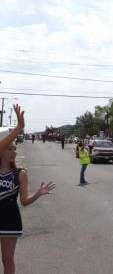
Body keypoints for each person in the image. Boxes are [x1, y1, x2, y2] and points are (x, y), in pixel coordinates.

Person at [0, 105, 56, 274]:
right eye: (10, 148)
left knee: (7, 261)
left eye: (15, 149)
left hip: (10, 220)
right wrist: (18, 128)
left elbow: (24, 202)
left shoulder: (20, 173)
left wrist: (38, 194)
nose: (14, 152)